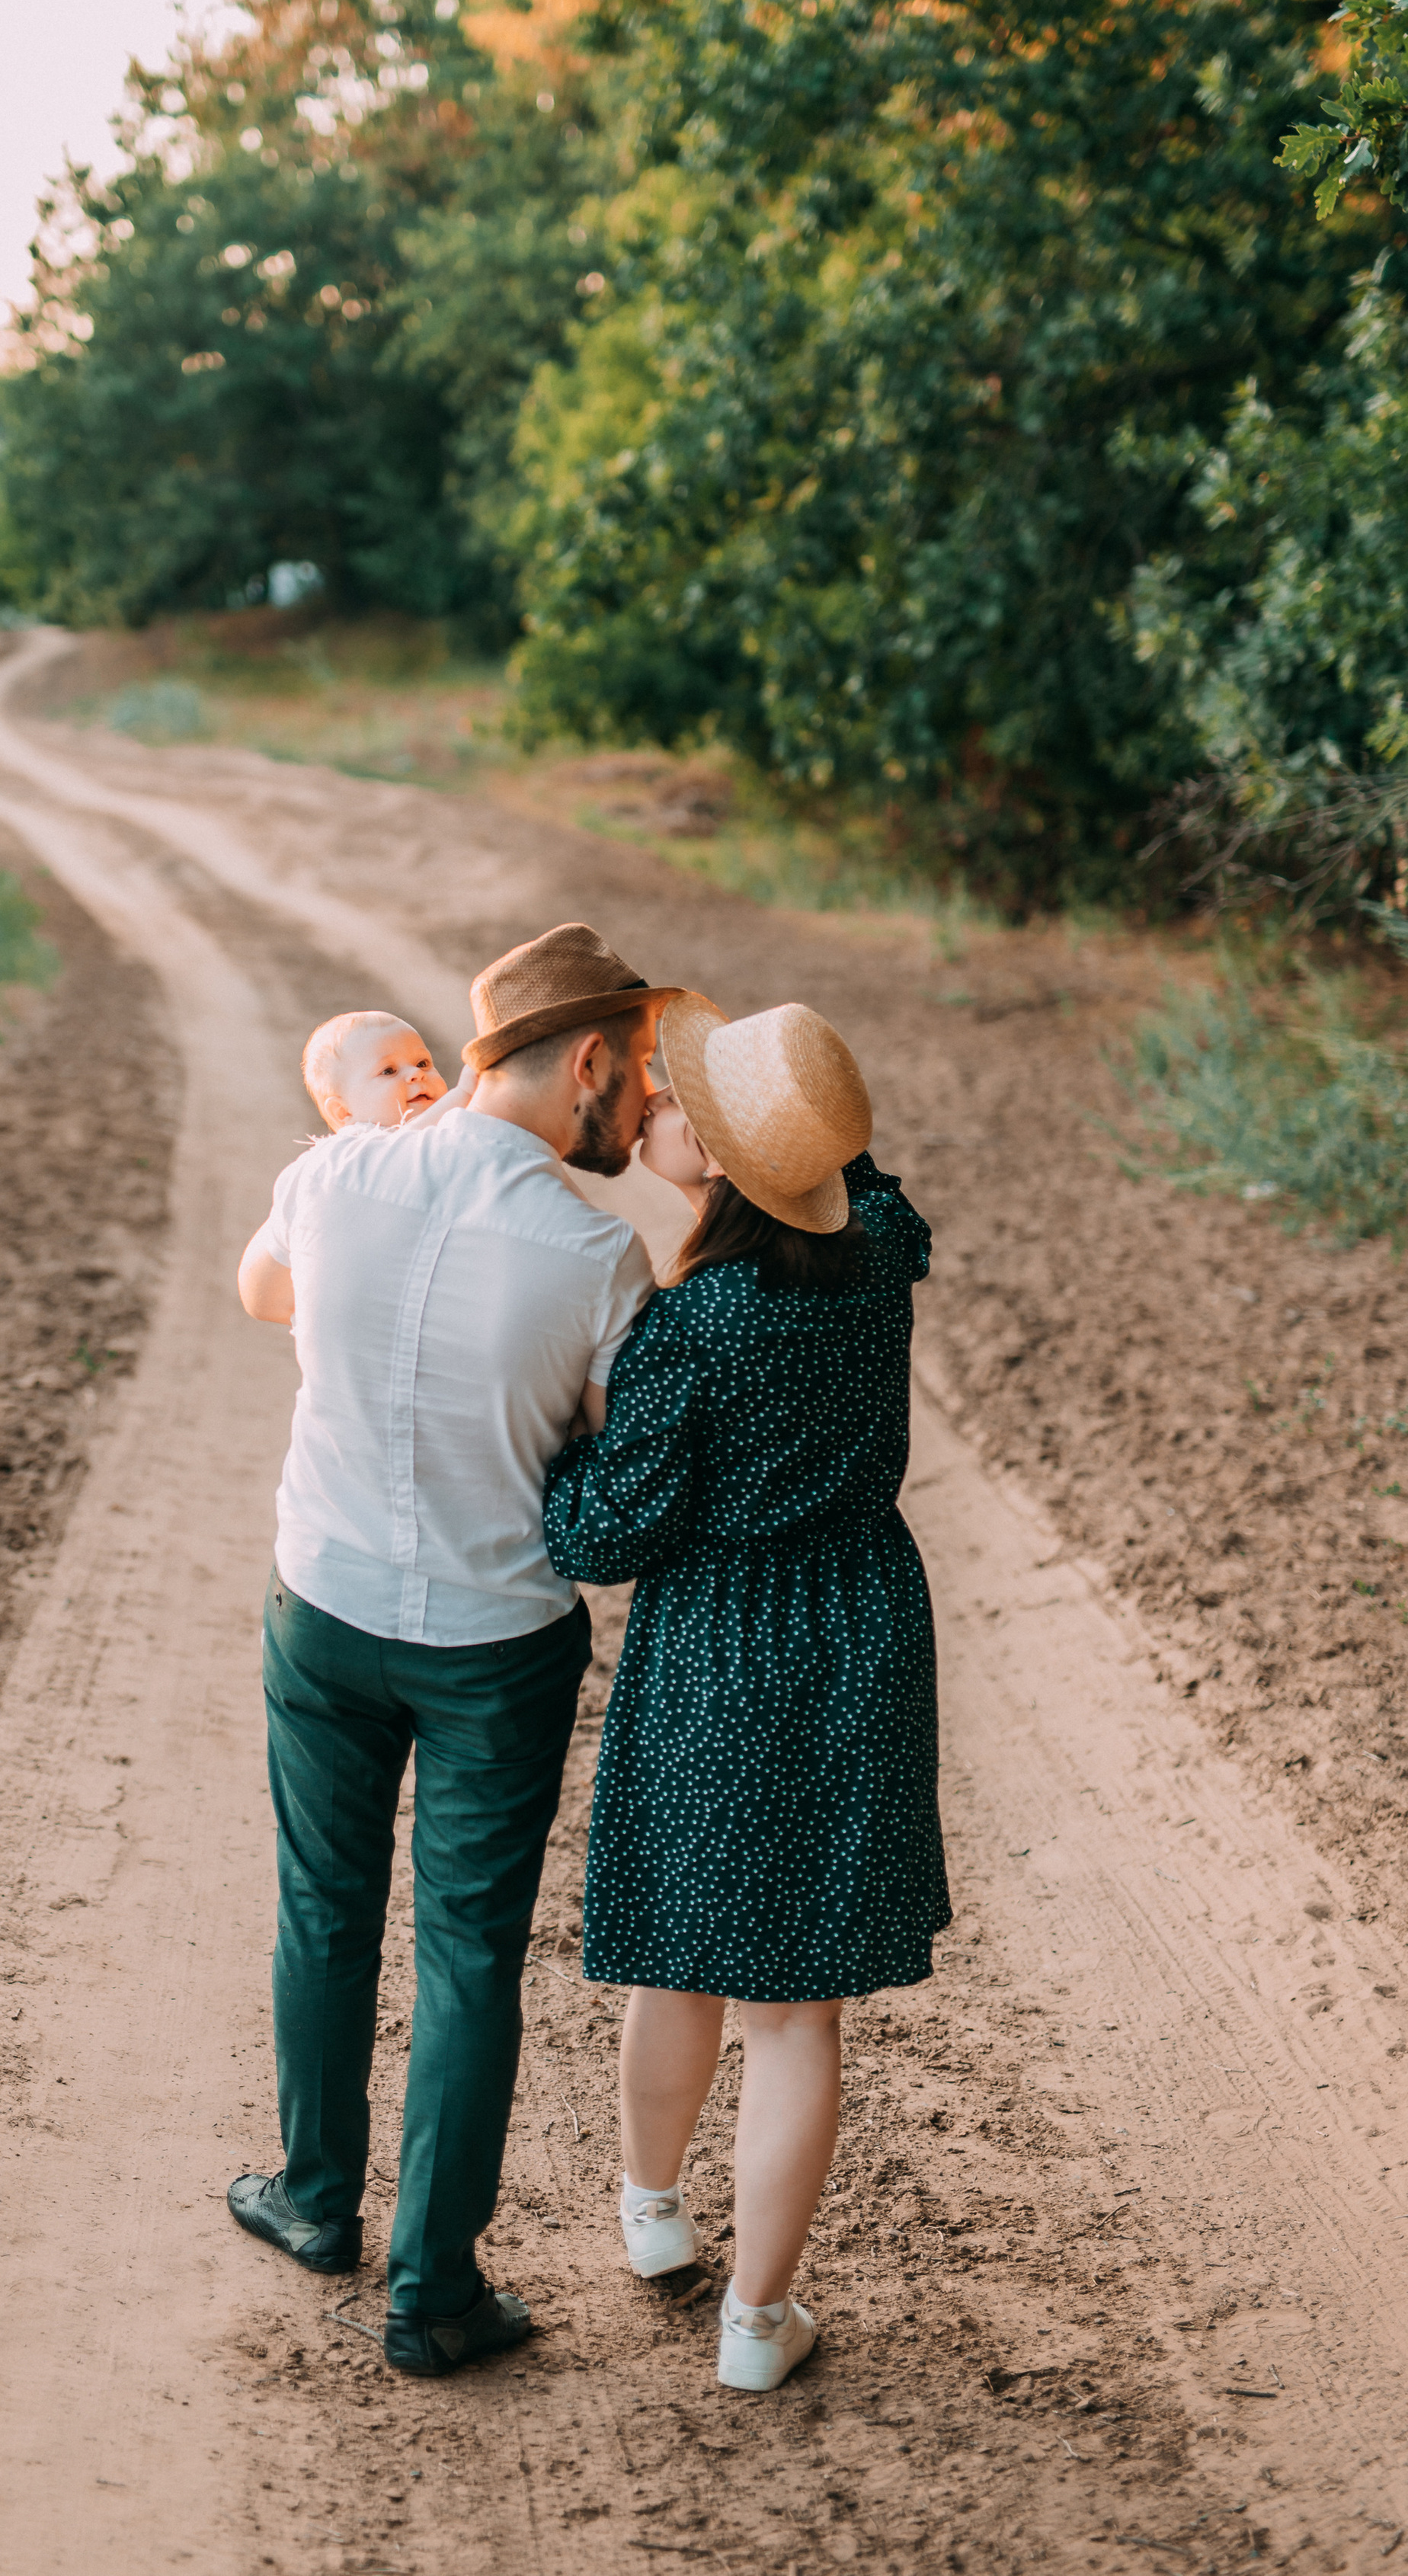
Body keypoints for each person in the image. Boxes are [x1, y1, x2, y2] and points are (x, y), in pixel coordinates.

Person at [228, 924, 674, 2378]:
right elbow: (620, 1461)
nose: (640, 1099)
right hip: (495, 1642)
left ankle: (312, 2201)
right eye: (643, 1072)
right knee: (473, 1951)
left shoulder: (328, 1174)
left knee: (323, 1907)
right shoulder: (599, 1253)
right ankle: (433, 2293)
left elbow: (275, 1298)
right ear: (589, 1061)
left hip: (326, 1599)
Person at [542, 996, 951, 2395]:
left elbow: (606, 1538)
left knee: (681, 1948)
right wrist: (814, 1146)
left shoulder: (690, 1328)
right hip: (861, 1628)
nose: (650, 1106)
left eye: (675, 1104)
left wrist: (557, 1455)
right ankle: (757, 2322)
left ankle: (651, 2211)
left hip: (721, 1641)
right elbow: (885, 1197)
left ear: (712, 1164)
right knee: (797, 2013)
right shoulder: (880, 1258)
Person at [300, 1011, 447, 1131]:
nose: (416, 1073)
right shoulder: (360, 1149)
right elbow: (404, 1143)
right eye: (389, 1071)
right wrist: (464, 1092)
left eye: (422, 1063)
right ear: (344, 1112)